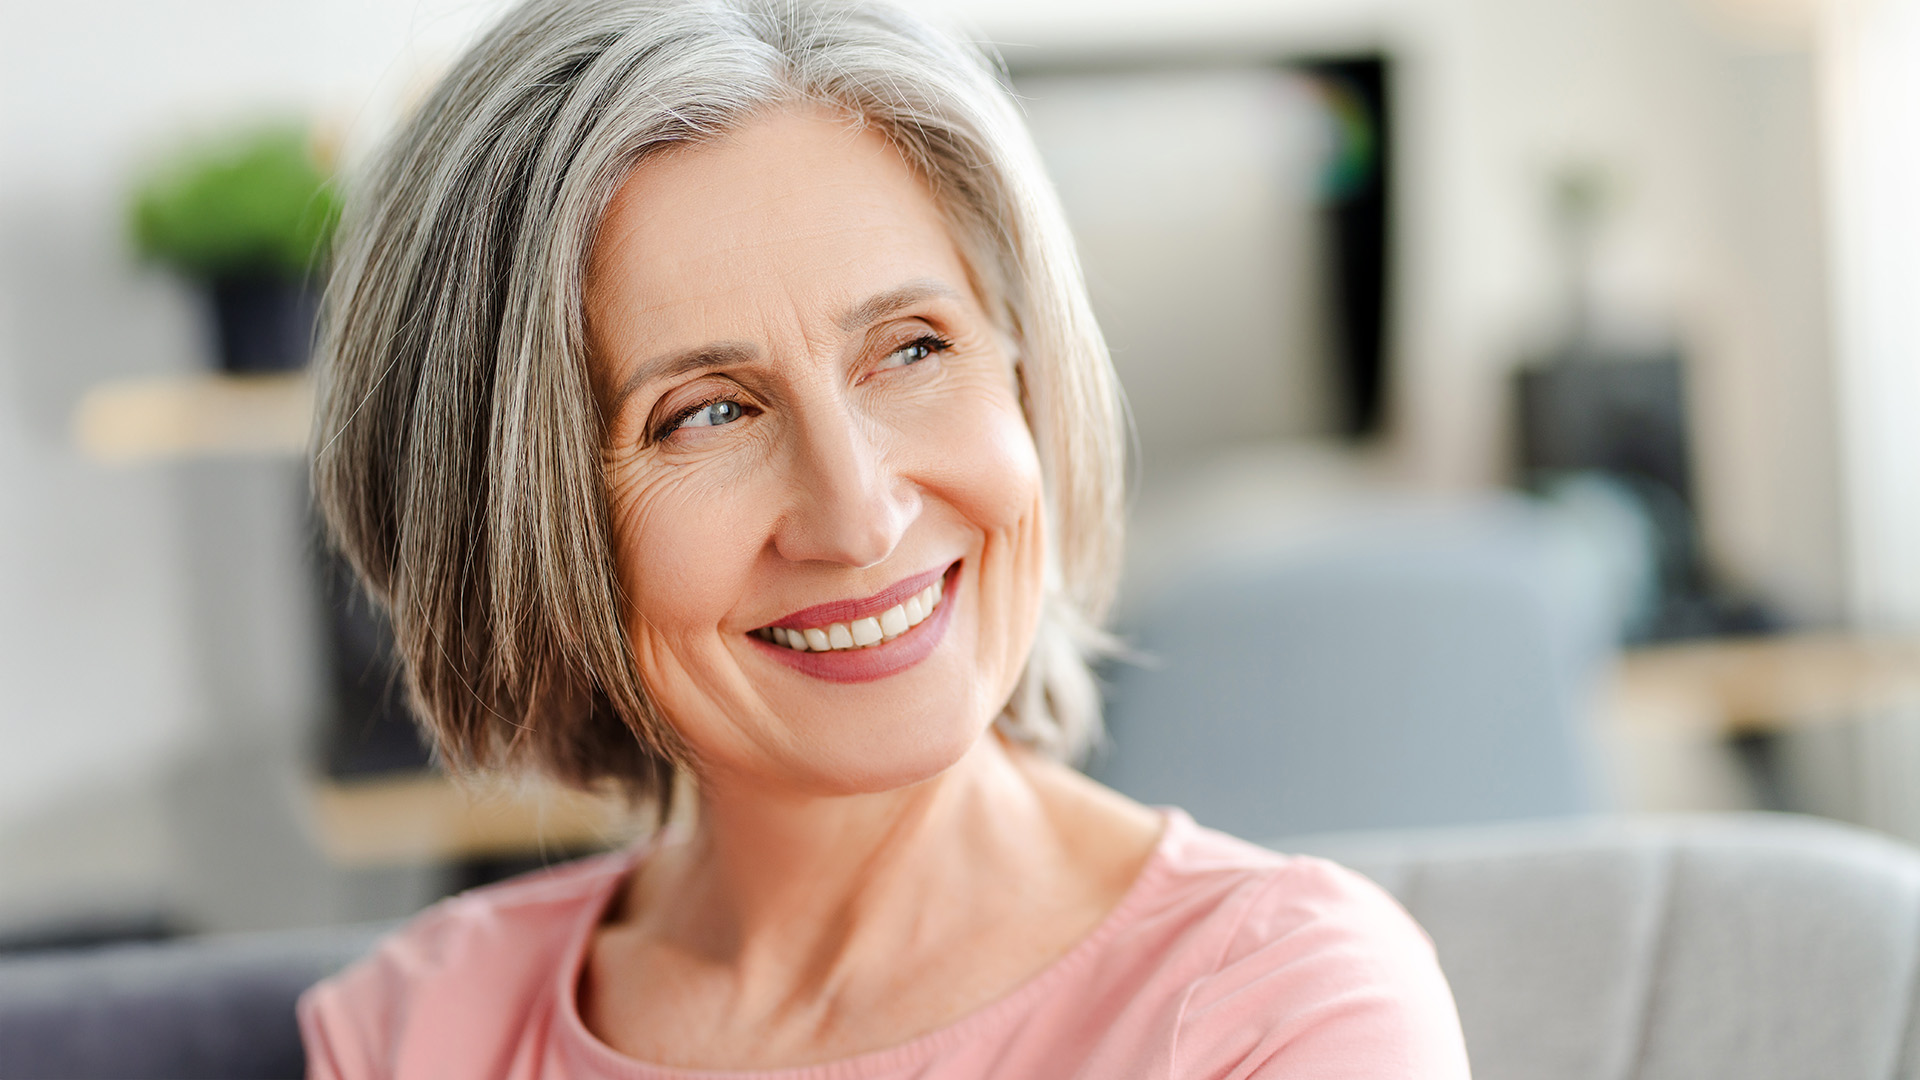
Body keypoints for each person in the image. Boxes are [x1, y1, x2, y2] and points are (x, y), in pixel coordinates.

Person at [298, 0, 1470, 1076]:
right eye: (707, 412)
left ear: (1021, 368)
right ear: (514, 531)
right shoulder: (420, 1032)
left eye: (913, 348)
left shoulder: (1282, 1008)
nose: (860, 517)